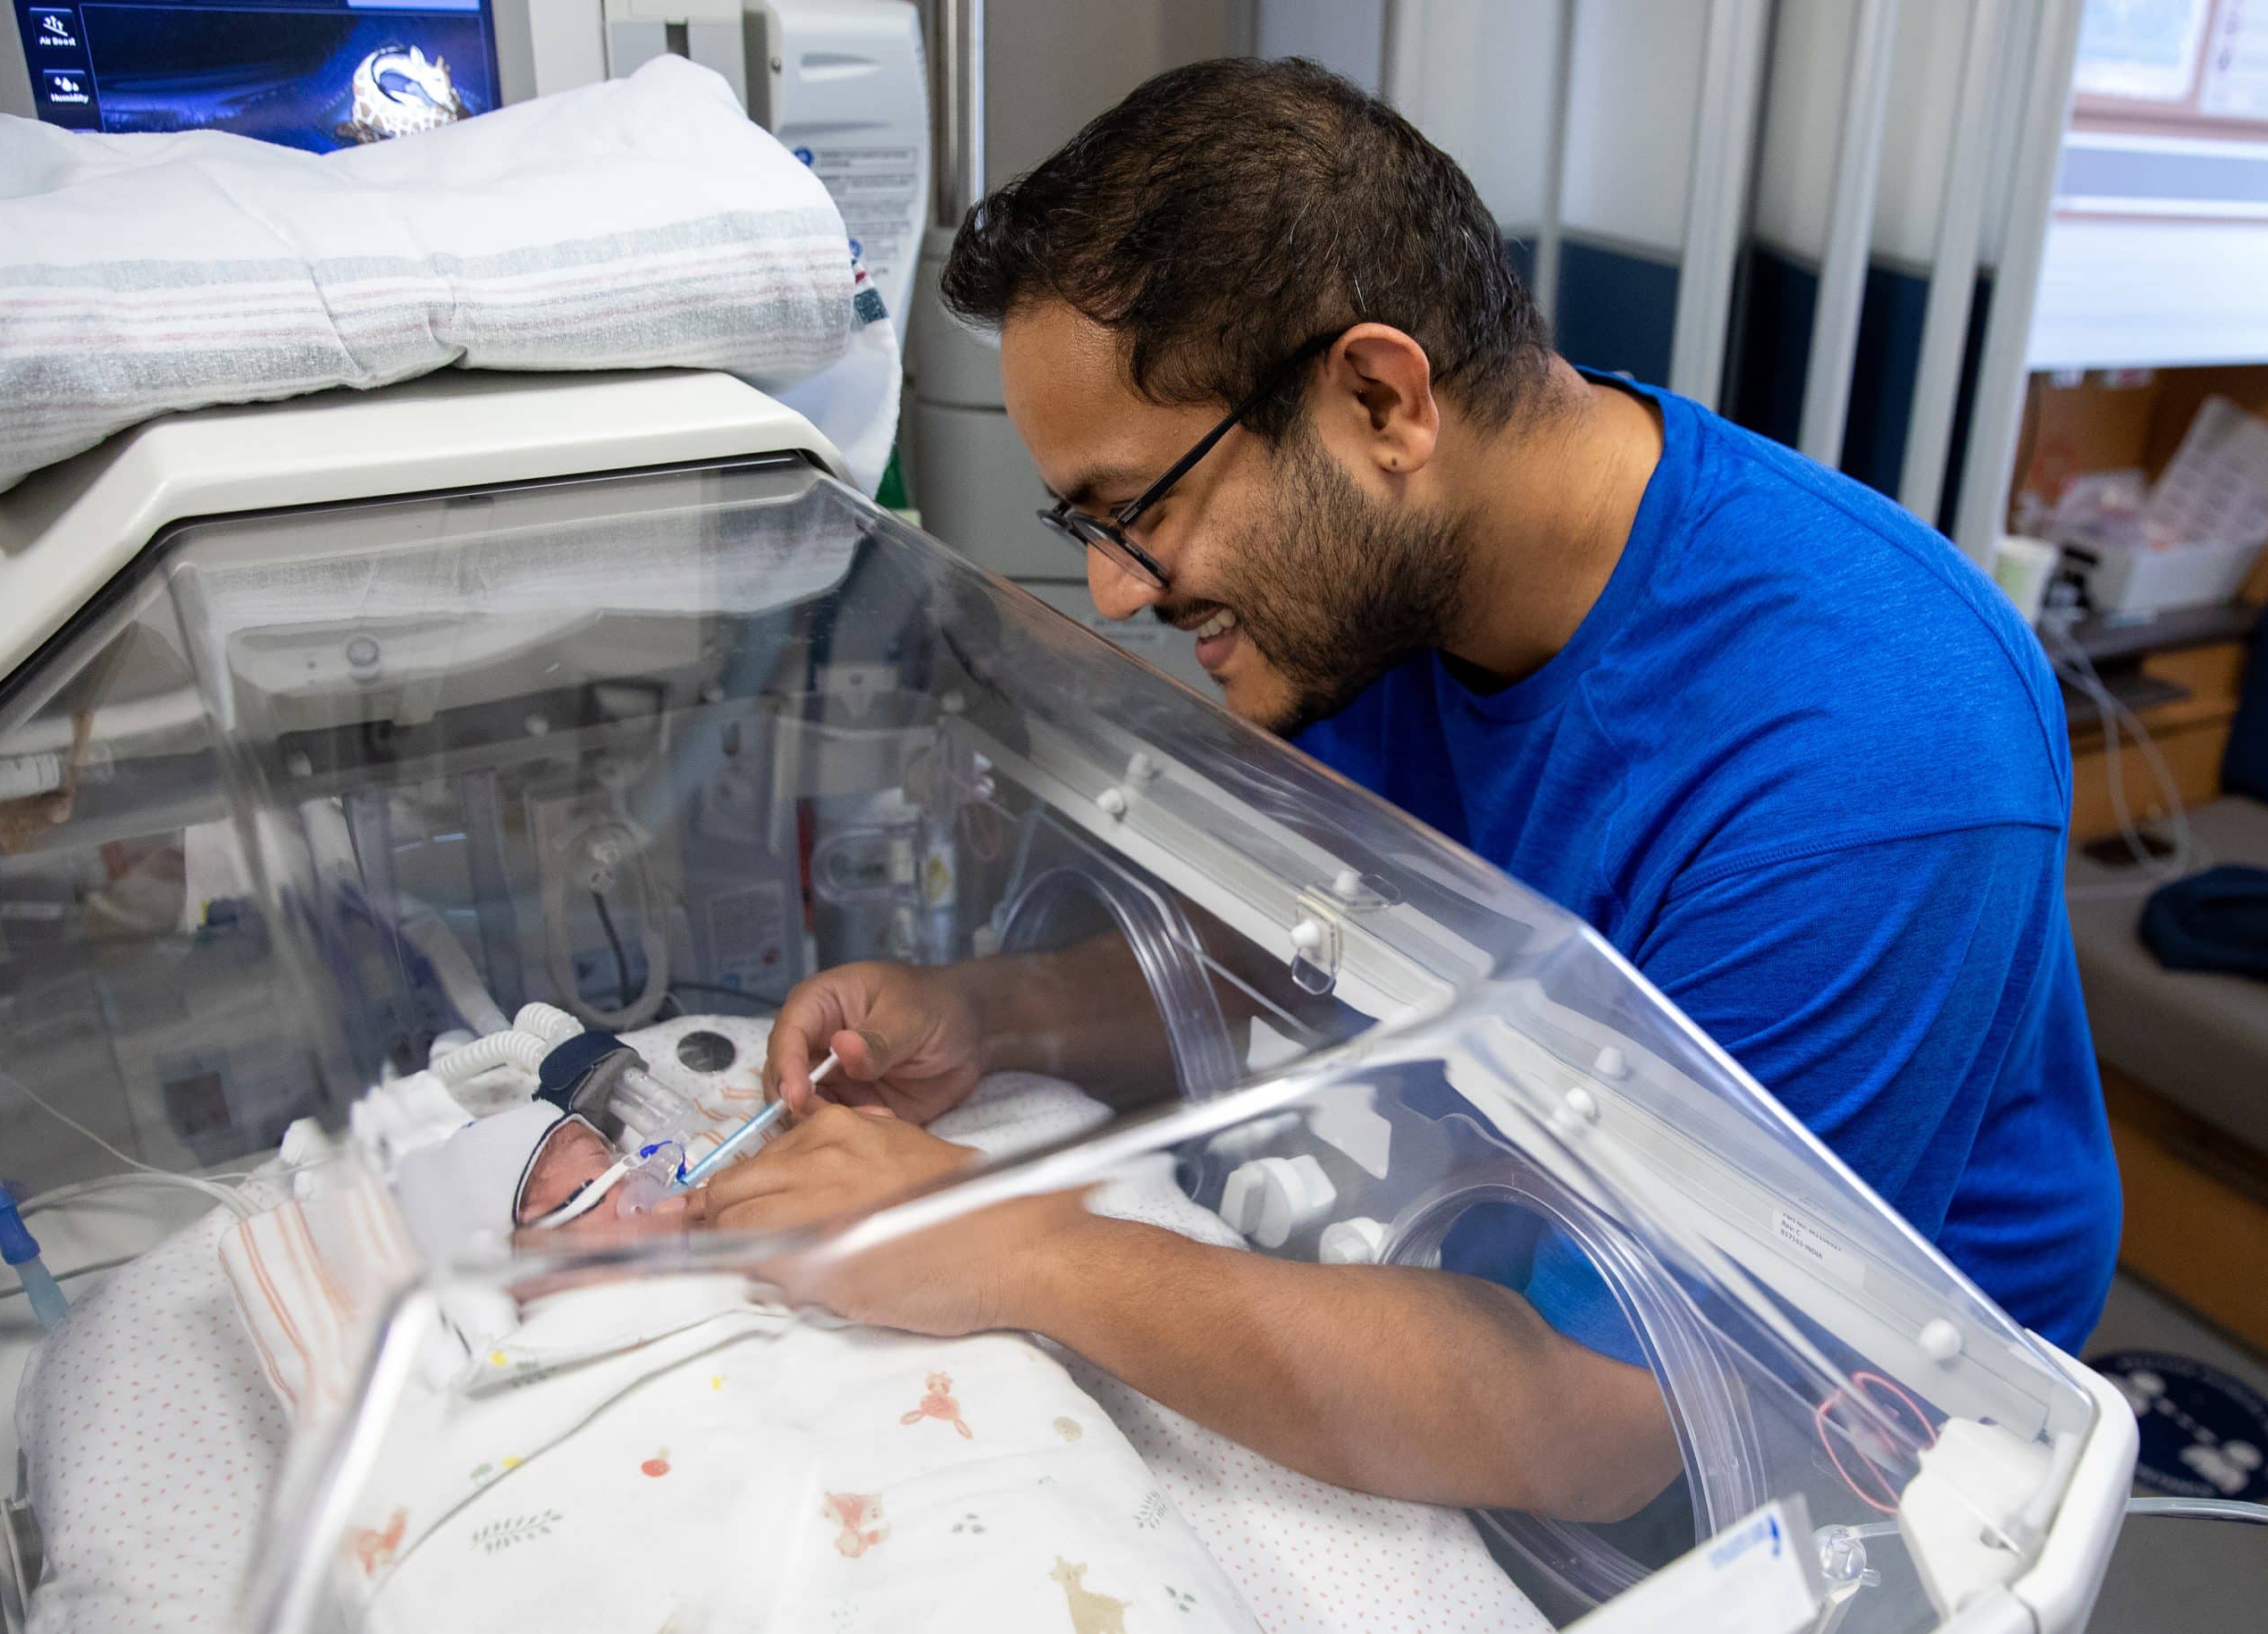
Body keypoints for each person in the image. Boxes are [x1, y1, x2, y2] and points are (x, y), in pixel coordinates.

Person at [697, 55, 2121, 1522]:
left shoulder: (1869, 757)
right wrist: (995, 1017)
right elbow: (1303, 948)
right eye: (1088, 527)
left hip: (1863, 1443)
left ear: (1382, 398)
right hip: (1541, 1223)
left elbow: (1606, 1415)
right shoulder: (1386, 590)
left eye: (1142, 511)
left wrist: (998, 1238)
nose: (1117, 595)